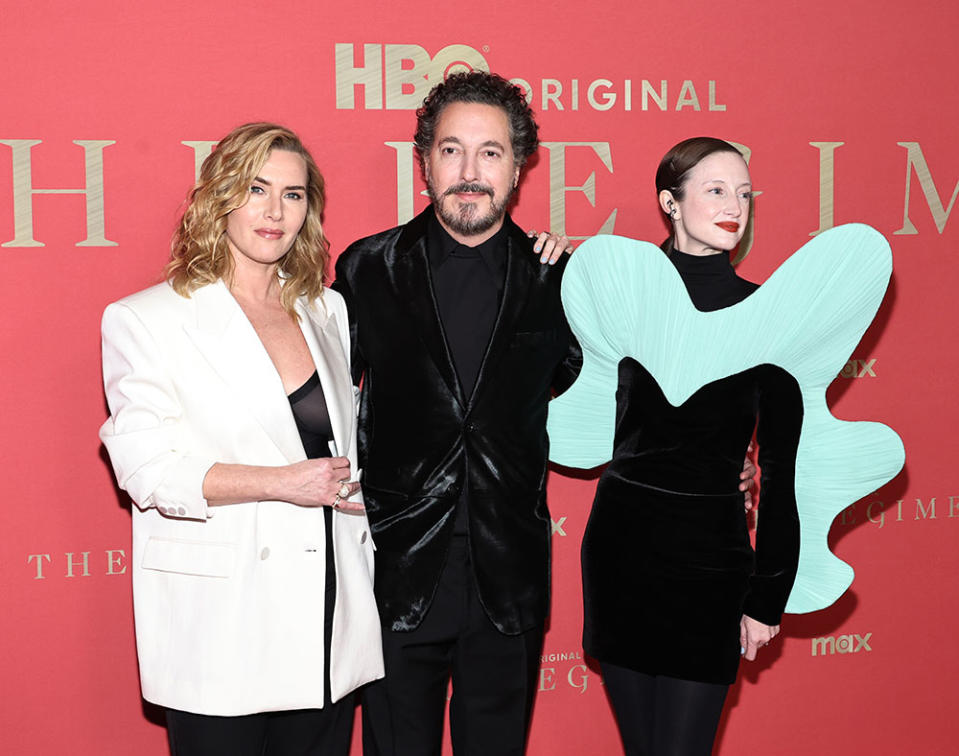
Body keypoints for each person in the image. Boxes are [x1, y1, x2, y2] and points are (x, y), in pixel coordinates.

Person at [99, 122, 383, 756]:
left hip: (326, 621)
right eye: (257, 189)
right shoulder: (148, 319)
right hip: (224, 627)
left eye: (293, 193)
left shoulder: (324, 310)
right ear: (220, 196)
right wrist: (282, 484)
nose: (275, 211)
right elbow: (145, 468)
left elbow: (337, 442)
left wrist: (359, 487)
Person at [332, 71, 581, 755]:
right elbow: (316, 398)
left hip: (508, 578)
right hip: (396, 569)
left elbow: (613, 400)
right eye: (451, 150)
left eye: (490, 152)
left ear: (518, 165)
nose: (469, 172)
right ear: (423, 160)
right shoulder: (367, 269)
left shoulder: (558, 280)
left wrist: (725, 468)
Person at [558, 136, 803, 756]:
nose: (735, 206)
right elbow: (562, 390)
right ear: (671, 202)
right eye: (716, 190)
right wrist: (560, 271)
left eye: (745, 193)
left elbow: (780, 468)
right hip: (622, 554)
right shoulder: (621, 296)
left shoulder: (769, 317)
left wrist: (768, 594)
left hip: (711, 567)